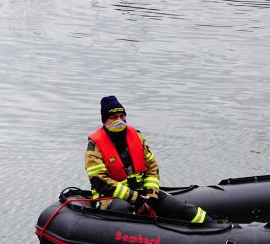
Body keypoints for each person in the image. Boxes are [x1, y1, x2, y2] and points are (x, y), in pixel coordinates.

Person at [85, 96, 211, 224]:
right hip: (111, 198)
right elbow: (99, 181)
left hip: (143, 193)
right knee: (123, 211)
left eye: (122, 116)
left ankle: (214, 227)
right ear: (105, 120)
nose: (119, 120)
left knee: (183, 209)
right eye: (114, 117)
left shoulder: (137, 136)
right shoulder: (95, 145)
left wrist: (151, 195)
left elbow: (152, 168)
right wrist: (135, 198)